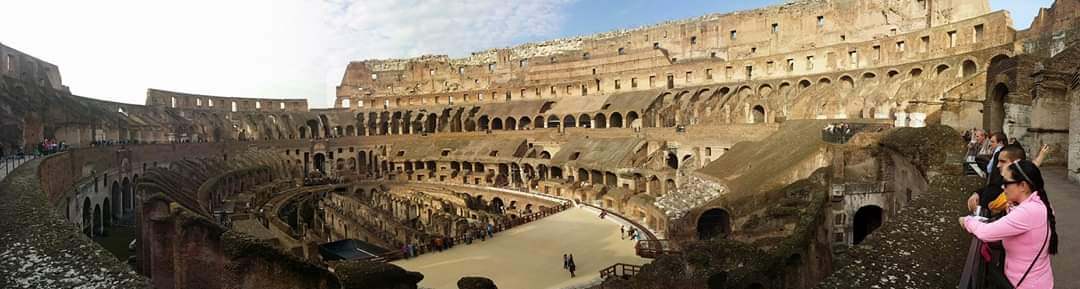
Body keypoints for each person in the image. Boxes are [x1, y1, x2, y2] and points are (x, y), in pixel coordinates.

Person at [960, 160, 1056, 289]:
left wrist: (967, 221)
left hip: (1026, 284)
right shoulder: (1038, 203)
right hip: (1039, 279)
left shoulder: (1028, 211)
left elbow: (985, 233)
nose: (1003, 187)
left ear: (1023, 185)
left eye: (1006, 183)